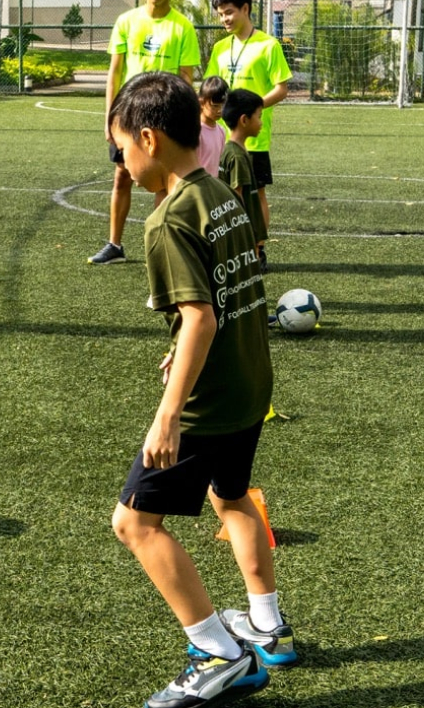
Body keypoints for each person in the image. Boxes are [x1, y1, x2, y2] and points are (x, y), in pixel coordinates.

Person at [106, 71, 297, 708]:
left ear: (150, 139)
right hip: (250, 384)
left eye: (121, 149)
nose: (122, 164)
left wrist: (167, 417)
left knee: (135, 523)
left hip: (207, 405)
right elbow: (228, 298)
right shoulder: (219, 193)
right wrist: (179, 348)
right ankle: (269, 627)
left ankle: (220, 651)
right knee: (233, 494)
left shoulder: (166, 221)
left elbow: (202, 316)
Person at [90, 0, 200, 266]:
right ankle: (114, 244)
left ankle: (161, 245)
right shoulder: (126, 21)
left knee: (164, 182)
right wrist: (109, 118)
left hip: (164, 115)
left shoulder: (183, 27)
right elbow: (114, 73)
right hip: (129, 115)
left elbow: (186, 77)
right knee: (121, 176)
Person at [204, 0, 292, 272]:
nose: (224, 19)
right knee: (222, 194)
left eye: (229, 12)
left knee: (256, 195)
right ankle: (230, 248)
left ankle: (258, 250)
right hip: (221, 138)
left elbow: (282, 89)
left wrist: (252, 110)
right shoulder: (219, 48)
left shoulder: (268, 45)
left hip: (254, 139)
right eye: (220, 15)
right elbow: (209, 90)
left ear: (245, 9)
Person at [220, 88, 268, 262]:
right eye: (259, 116)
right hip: (242, 239)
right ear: (244, 120)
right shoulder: (237, 157)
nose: (261, 122)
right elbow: (236, 199)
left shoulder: (235, 151)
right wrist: (245, 238)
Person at [197, 76, 228, 177]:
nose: (220, 110)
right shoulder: (195, 130)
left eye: (223, 105)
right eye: (215, 106)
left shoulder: (221, 131)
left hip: (212, 187)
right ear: (201, 103)